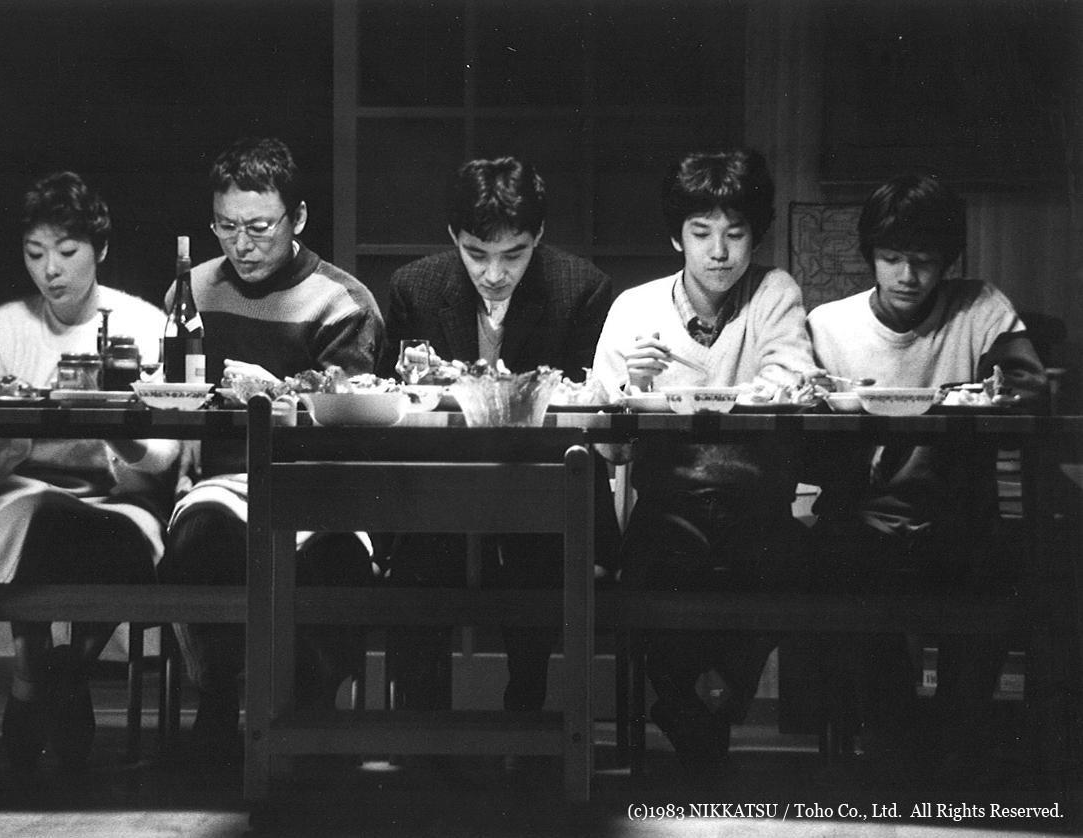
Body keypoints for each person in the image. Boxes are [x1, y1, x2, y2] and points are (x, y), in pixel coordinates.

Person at [806, 173, 1047, 780]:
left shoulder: (979, 306)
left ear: (948, 262)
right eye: (892, 258)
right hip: (862, 515)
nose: (908, 276)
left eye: (925, 261)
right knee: (835, 566)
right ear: (870, 257)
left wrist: (957, 398)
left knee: (1005, 566)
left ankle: (957, 734)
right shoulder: (830, 324)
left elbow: (1028, 387)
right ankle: (897, 732)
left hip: (957, 518)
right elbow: (806, 434)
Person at [156, 137, 385, 759]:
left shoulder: (342, 302)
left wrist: (278, 392)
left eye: (259, 226)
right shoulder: (191, 292)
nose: (242, 244)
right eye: (226, 226)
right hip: (220, 478)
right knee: (202, 537)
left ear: (298, 218)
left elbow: (348, 421)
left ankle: (311, 710)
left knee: (335, 556)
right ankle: (215, 700)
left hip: (318, 480)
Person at [591, 149, 816, 774]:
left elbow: (791, 380)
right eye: (701, 233)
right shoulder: (636, 308)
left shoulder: (774, 291)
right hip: (670, 505)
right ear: (677, 238)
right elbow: (608, 442)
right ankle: (697, 710)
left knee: (786, 570)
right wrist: (632, 386)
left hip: (759, 505)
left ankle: (706, 707)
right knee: (657, 575)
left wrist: (691, 392)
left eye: (735, 233)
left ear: (754, 236)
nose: (719, 252)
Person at [376, 156, 618, 715]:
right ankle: (423, 730)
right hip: (440, 486)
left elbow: (585, 409)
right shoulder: (415, 287)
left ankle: (527, 720)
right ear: (453, 237)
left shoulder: (581, 288)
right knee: (415, 575)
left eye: (514, 254)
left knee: (540, 572)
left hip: (545, 487)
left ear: (539, 236)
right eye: (476, 253)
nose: (493, 273)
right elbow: (393, 406)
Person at [0, 171, 179, 770]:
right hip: (20, 493)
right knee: (31, 515)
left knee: (121, 536)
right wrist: (23, 421)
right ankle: (35, 666)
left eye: (67, 251)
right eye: (35, 253)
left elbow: (166, 458)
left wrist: (114, 425)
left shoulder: (141, 324)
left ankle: (63, 672)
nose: (50, 270)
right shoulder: (6, 327)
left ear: (99, 249)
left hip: (117, 497)